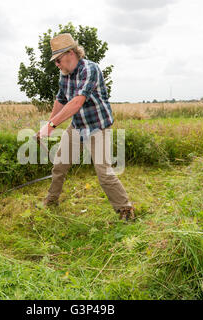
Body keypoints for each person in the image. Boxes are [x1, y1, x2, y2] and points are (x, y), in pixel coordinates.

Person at [35, 33, 135, 221]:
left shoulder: (90, 69)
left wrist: (50, 126)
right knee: (59, 164)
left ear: (70, 53)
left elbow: (76, 102)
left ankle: (125, 209)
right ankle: (52, 200)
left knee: (104, 172)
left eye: (58, 60)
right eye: (55, 61)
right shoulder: (64, 74)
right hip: (77, 126)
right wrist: (49, 124)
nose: (57, 64)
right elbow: (61, 100)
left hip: (97, 127)